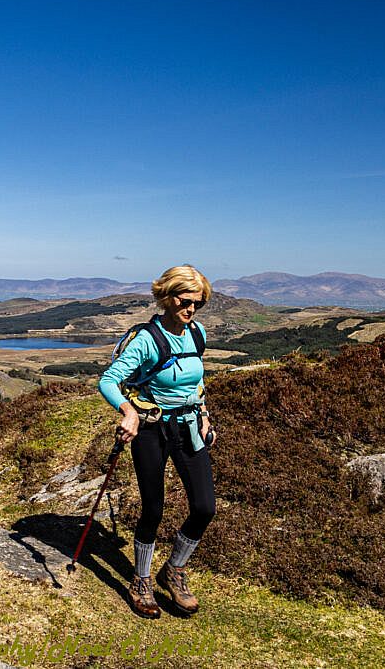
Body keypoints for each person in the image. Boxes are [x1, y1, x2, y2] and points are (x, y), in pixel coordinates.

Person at [98, 265, 217, 619]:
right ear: (167, 296)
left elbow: (195, 381)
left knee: (204, 507)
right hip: (151, 429)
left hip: (189, 427)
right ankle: (141, 580)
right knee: (153, 509)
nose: (191, 308)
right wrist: (128, 412)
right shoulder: (148, 339)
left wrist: (204, 411)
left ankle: (174, 570)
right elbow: (109, 380)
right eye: (185, 300)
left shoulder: (198, 334)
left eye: (198, 302)